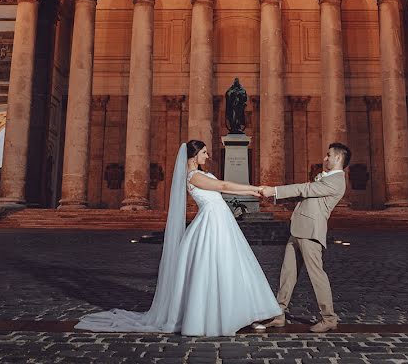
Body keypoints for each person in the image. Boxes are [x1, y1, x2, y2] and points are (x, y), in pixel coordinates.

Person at [75, 140, 282, 336]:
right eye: (204, 152)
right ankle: (215, 317)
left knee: (233, 266)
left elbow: (222, 186)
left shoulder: (202, 174)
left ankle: (245, 313)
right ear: (193, 155)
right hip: (212, 224)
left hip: (221, 222)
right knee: (216, 268)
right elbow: (224, 187)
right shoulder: (193, 176)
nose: (208, 156)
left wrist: (252, 190)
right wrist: (254, 189)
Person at [259, 142, 350, 333]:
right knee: (287, 273)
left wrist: (274, 190)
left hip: (311, 232)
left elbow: (305, 190)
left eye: (328, 155)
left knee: (317, 275)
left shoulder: (336, 181)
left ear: (339, 158)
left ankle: (329, 318)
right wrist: (276, 197)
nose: (325, 158)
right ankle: (279, 313)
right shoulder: (325, 179)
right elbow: (305, 197)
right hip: (298, 228)